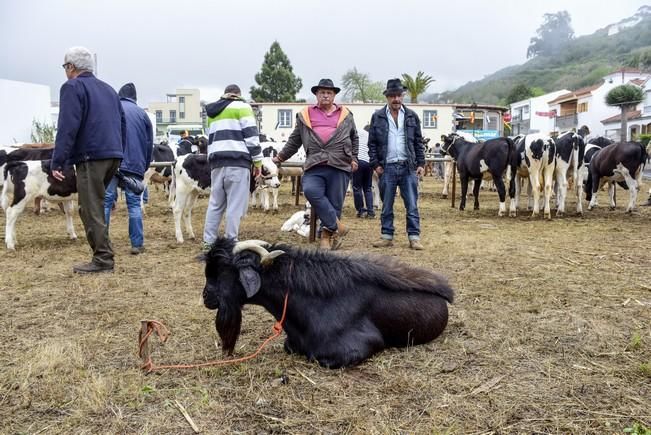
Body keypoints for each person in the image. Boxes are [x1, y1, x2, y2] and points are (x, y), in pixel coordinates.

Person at [51, 46, 125, 273]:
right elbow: (122, 123)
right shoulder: (109, 89)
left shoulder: (72, 87)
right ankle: (105, 252)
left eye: (65, 66)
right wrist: (121, 152)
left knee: (89, 208)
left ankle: (103, 259)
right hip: (113, 154)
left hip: (90, 156)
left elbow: (67, 126)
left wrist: (58, 160)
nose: (65, 71)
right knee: (97, 204)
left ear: (71, 67)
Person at [272, 79, 359, 250]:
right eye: (322, 92)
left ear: (334, 95)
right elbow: (295, 140)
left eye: (329, 93)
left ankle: (325, 238)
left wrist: (354, 158)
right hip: (314, 163)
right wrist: (280, 157)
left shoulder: (346, 115)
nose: (325, 95)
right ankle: (337, 226)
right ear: (316, 95)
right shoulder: (305, 115)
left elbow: (354, 137)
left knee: (335, 202)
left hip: (339, 163)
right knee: (311, 190)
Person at [202, 84, 262, 250]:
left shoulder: (212, 113)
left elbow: (210, 137)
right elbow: (251, 137)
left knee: (215, 204)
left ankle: (208, 242)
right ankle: (231, 243)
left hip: (216, 163)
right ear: (238, 95)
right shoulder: (243, 107)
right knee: (234, 205)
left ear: (225, 94)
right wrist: (257, 162)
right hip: (237, 162)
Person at [368, 78, 425, 250]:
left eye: (399, 95)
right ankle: (387, 236)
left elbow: (418, 141)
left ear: (403, 96)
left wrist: (420, 163)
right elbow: (372, 144)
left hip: (408, 167)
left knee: (412, 204)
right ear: (387, 97)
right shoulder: (377, 116)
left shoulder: (411, 116)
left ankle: (414, 237)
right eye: (393, 96)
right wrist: (376, 165)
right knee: (386, 205)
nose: (396, 99)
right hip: (387, 167)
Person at [103, 83, 153, 255]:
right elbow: (148, 144)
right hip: (134, 165)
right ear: (135, 98)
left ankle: (103, 243)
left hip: (112, 162)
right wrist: (143, 166)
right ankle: (137, 244)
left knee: (106, 202)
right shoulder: (142, 114)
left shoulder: (111, 109)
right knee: (134, 205)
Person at [352, 124, 375, 218]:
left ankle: (361, 210)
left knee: (357, 187)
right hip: (369, 162)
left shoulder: (357, 131)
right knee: (368, 188)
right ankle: (370, 211)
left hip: (359, 161)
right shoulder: (370, 136)